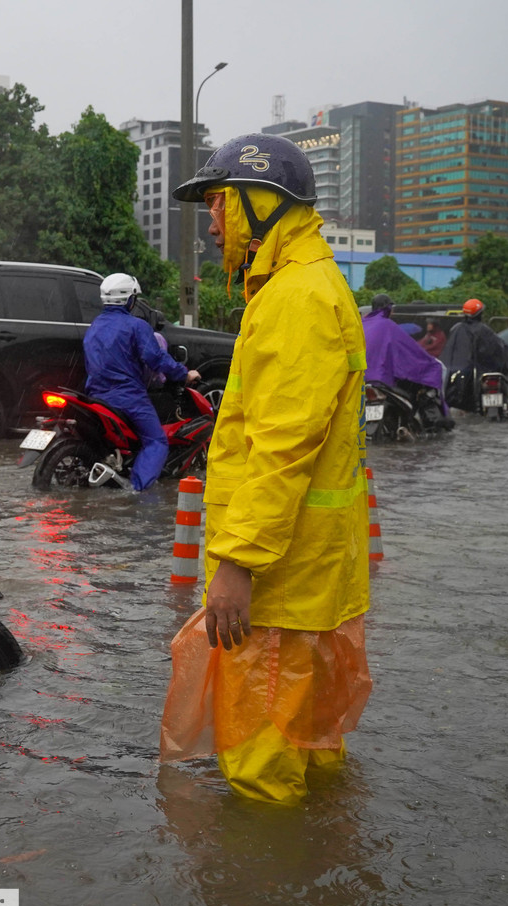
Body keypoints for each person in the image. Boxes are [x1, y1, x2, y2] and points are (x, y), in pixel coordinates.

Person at [159, 133, 372, 804]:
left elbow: (282, 448)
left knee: (260, 777)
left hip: (279, 589)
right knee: (310, 759)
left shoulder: (296, 298)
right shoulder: (301, 286)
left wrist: (237, 564)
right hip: (306, 581)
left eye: (220, 203)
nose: (213, 220)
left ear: (261, 203)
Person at [82, 273, 200, 491]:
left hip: (95, 396)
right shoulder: (136, 326)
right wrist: (183, 374)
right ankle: (136, 491)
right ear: (129, 300)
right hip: (127, 397)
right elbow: (156, 358)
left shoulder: (95, 326)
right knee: (157, 442)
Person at [361, 292, 450, 421]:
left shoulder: (363, 324)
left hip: (361, 379)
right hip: (382, 381)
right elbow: (411, 351)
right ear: (388, 309)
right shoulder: (388, 325)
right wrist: (431, 364)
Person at [439, 298, 508, 413]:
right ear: (480, 314)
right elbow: (499, 348)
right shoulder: (482, 329)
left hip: (465, 374)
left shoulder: (457, 329)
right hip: (479, 372)